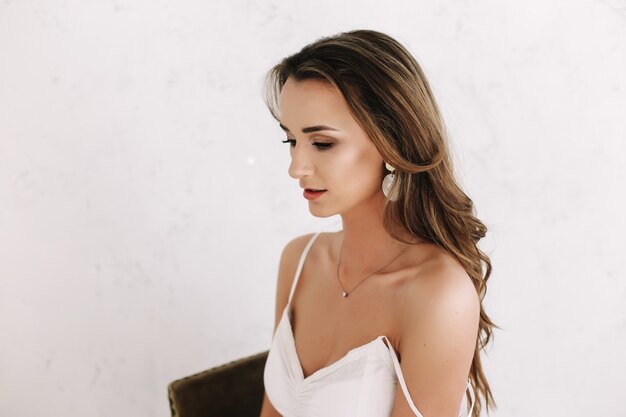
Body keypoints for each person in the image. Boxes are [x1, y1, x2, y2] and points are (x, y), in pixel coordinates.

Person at [259, 29, 495, 417]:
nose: (296, 168)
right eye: (291, 141)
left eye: (321, 143)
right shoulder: (299, 262)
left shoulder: (438, 294)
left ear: (391, 142)